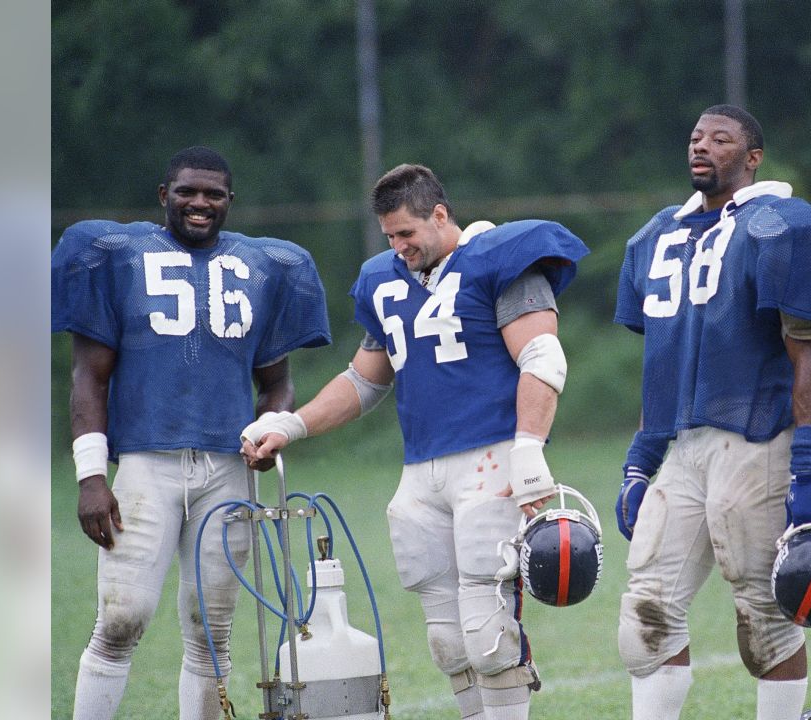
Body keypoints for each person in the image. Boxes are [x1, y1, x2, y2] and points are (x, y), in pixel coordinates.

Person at [240, 163, 589, 720]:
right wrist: (292, 424)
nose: (399, 247)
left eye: (408, 233)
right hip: (421, 471)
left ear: (441, 215)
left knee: (488, 633)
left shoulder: (499, 258)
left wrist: (528, 448)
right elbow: (365, 378)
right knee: (448, 644)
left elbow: (542, 356)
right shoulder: (384, 278)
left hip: (489, 459)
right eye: (390, 236)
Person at [53, 146, 332, 720]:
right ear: (165, 196)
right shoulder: (118, 256)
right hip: (145, 463)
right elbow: (89, 378)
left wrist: (271, 426)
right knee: (121, 619)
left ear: (230, 201)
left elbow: (276, 384)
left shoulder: (262, 265)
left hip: (227, 469)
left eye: (213, 194)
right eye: (186, 191)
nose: (199, 203)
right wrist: (90, 475)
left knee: (213, 632)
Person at [612, 105, 811, 720]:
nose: (702, 146)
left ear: (752, 157)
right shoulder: (657, 236)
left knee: (764, 611)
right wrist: (641, 461)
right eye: (695, 137)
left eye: (720, 138)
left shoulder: (782, 226)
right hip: (685, 446)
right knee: (647, 608)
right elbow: (663, 362)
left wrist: (809, 468)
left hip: (758, 435)